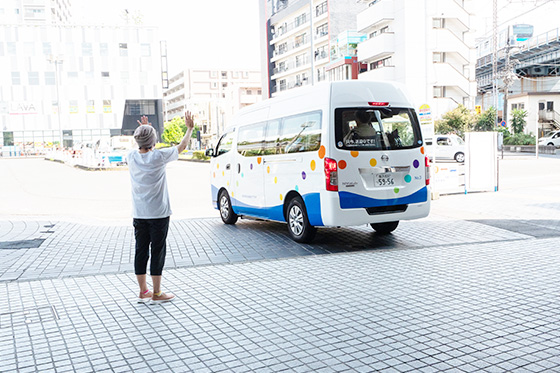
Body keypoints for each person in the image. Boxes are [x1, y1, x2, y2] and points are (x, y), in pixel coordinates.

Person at [128, 111, 194, 304]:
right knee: (157, 250)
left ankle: (143, 291)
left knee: (141, 250)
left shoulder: (131, 157)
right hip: (158, 214)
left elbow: (141, 142)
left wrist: (144, 130)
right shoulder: (159, 157)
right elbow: (182, 147)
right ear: (153, 140)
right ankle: (157, 293)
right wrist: (189, 128)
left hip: (139, 214)